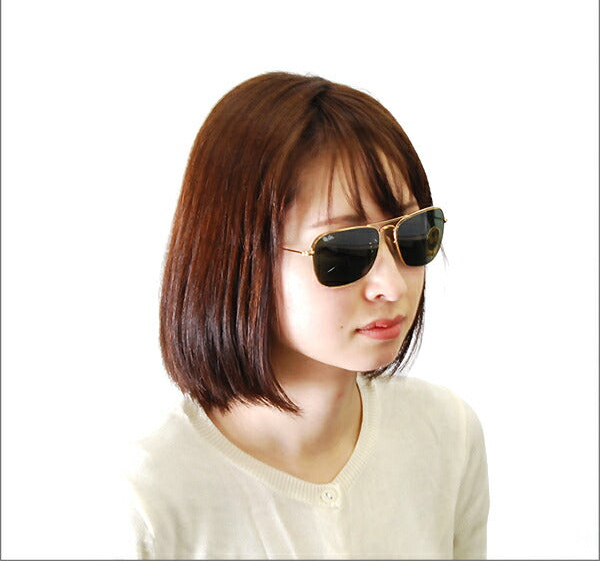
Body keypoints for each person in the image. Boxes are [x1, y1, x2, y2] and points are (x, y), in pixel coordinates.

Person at [125, 72, 489, 559]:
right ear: (239, 257)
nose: (393, 285)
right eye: (345, 250)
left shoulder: (446, 435)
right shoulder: (150, 498)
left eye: (412, 233)